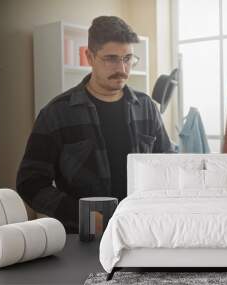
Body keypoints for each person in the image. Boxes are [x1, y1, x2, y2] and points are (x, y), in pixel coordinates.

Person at [17, 16, 175, 233]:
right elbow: (30, 183)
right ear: (89, 57)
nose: (122, 68)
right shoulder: (57, 113)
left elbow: (169, 165)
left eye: (128, 58)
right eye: (111, 58)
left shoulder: (146, 107)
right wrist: (84, 216)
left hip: (143, 229)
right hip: (85, 236)